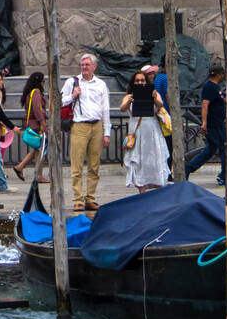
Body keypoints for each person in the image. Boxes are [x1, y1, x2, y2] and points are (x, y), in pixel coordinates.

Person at [62, 52, 110, 212]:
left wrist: (107, 132)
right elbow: (60, 100)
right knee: (76, 164)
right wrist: (72, 95)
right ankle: (77, 199)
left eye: (87, 65)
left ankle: (90, 198)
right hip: (79, 126)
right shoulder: (72, 82)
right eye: (82, 65)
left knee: (94, 165)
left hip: (96, 126)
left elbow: (105, 109)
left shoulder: (101, 84)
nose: (84, 67)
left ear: (94, 67)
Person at [120, 69, 170, 193]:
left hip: (152, 130)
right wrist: (129, 100)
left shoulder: (154, 92)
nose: (140, 82)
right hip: (137, 131)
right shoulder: (128, 95)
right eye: (137, 80)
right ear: (133, 82)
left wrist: (154, 97)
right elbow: (122, 108)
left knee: (155, 159)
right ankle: (141, 190)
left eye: (142, 80)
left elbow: (160, 105)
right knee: (139, 160)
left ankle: (158, 189)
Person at [186, 65, 227, 185]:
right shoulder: (209, 87)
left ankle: (188, 168)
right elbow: (205, 104)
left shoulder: (216, 87)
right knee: (224, 148)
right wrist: (204, 123)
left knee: (210, 150)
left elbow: (225, 100)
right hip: (214, 124)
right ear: (219, 74)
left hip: (218, 123)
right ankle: (224, 175)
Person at [13, 71, 47, 182]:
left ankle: (21, 167)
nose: (44, 83)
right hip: (36, 124)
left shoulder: (29, 92)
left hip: (32, 123)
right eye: (43, 81)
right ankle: (38, 175)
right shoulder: (36, 92)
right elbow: (37, 109)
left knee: (37, 149)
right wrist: (42, 122)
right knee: (40, 149)